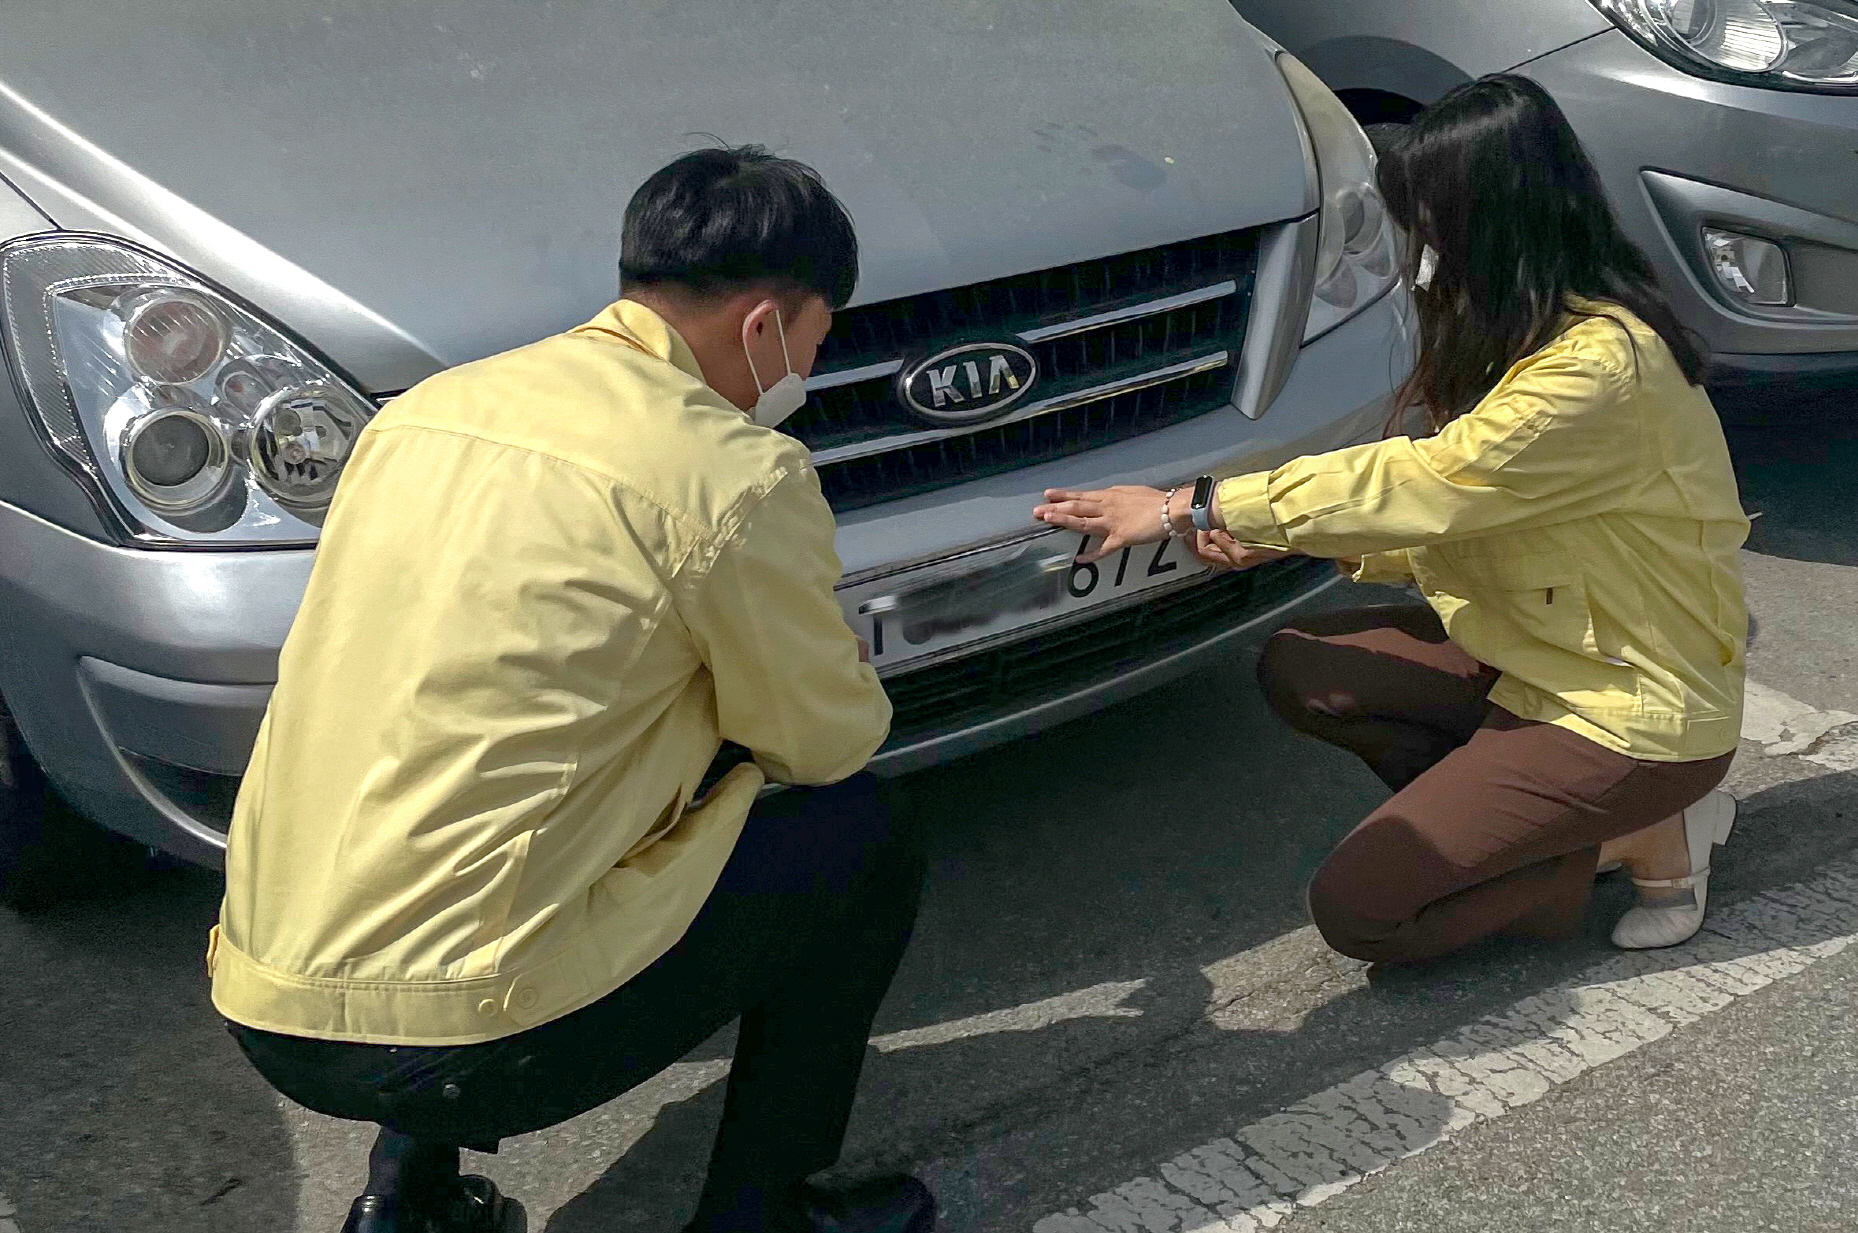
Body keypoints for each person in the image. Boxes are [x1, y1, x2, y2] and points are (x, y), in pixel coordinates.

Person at [210, 146, 936, 1233]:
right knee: (864, 835)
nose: (804, 372)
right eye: (816, 342)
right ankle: (760, 1219)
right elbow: (824, 742)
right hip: (464, 1044)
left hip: (265, 991)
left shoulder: (428, 411)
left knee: (463, 776)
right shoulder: (731, 473)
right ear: (764, 326)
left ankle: (409, 1203)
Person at [1032, 75, 1748, 965]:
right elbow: (1468, 519)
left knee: (1359, 910)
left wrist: (1198, 504)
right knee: (1303, 666)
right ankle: (1520, 822)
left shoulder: (1596, 369)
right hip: (1537, 653)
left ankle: (1640, 836)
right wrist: (1282, 539)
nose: (1424, 252)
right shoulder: (1532, 328)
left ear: (1494, 224)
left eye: (1433, 226)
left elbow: (1430, 481)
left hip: (1630, 710)